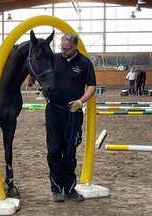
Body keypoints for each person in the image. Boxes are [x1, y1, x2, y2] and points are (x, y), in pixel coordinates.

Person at [45, 33, 96, 202]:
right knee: (53, 150)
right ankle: (56, 189)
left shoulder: (84, 63)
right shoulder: (54, 59)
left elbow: (92, 86)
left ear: (75, 47)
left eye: (66, 49)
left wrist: (80, 102)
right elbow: (42, 74)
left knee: (70, 151)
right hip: (53, 110)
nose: (63, 52)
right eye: (61, 48)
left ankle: (70, 188)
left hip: (73, 113)